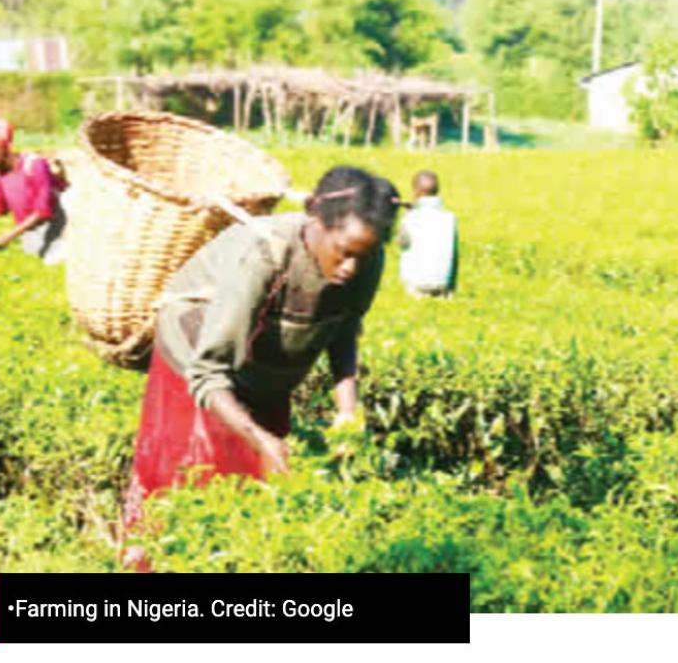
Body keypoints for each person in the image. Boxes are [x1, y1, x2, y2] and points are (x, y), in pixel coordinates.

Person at [122, 166, 400, 538]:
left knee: (258, 491)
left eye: (364, 257)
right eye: (345, 253)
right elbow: (208, 374)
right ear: (316, 222)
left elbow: (344, 328)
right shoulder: (262, 256)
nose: (352, 268)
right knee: (193, 483)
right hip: (196, 363)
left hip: (265, 369)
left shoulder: (367, 258)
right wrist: (259, 438)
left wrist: (347, 411)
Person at [0, 116, 71, 264]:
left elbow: (43, 212)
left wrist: (8, 236)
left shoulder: (34, 165)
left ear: (3, 150)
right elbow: (0, 208)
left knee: (53, 260)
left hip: (57, 222)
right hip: (30, 228)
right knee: (34, 254)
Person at [398, 170, 458, 298]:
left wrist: (405, 217)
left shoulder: (410, 218)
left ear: (416, 191)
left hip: (417, 284)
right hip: (443, 282)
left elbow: (402, 243)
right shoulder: (450, 218)